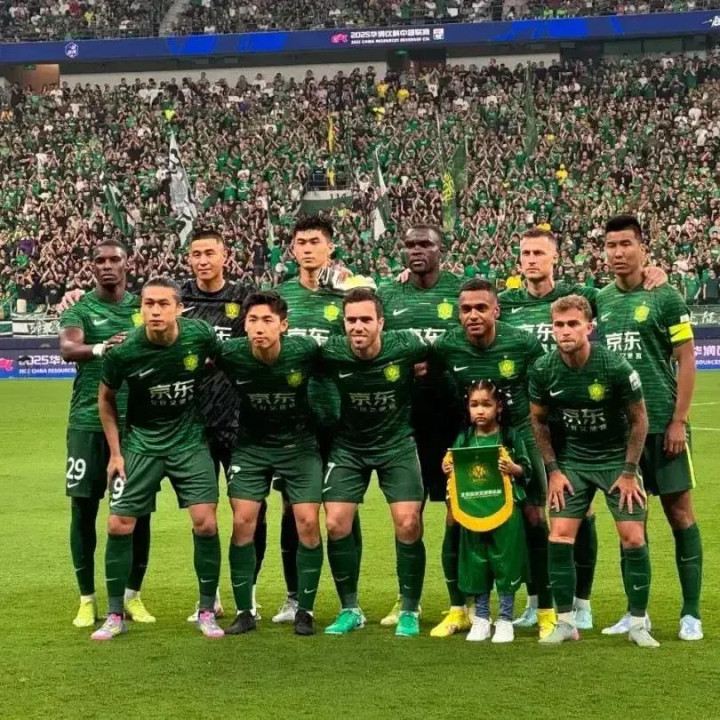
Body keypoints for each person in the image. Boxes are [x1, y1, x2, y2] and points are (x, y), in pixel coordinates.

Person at [499, 227, 667, 631]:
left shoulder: (582, 296)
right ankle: (538, 602)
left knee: (582, 512)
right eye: (525, 253)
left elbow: (623, 290)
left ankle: (582, 601)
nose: (531, 259)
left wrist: (653, 272)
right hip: (531, 420)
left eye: (539, 252)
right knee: (534, 514)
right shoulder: (506, 303)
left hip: (581, 427)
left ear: (555, 257)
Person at [92, 278, 224, 640]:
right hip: (141, 443)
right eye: (148, 304)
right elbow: (105, 399)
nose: (155, 311)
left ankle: (206, 610)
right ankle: (115, 615)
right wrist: (115, 453)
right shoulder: (124, 351)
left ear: (179, 308)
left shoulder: (199, 334)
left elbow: (221, 361)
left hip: (189, 442)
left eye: (163, 304)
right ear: (141, 309)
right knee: (118, 524)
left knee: (206, 523)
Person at [529, 294, 657, 648]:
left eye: (573, 324)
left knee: (633, 537)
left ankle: (638, 623)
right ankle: (566, 622)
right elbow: (538, 422)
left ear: (589, 327)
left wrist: (629, 472)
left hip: (616, 461)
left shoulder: (615, 367)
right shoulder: (543, 370)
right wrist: (554, 470)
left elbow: (639, 420)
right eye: (559, 325)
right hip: (573, 462)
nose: (565, 331)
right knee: (559, 536)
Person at [597, 215, 703, 641]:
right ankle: (634, 611)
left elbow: (687, 358)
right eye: (611, 245)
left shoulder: (667, 297)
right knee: (630, 524)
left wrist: (679, 420)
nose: (618, 252)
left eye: (626, 244)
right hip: (622, 434)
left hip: (663, 427)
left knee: (680, 514)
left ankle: (691, 613)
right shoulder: (600, 300)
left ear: (643, 247)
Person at [430, 278, 555, 638]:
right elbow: (435, 391)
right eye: (466, 309)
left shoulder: (523, 343)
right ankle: (460, 609)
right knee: (456, 518)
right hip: (470, 443)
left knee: (534, 517)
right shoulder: (446, 347)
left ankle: (544, 608)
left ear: (496, 310)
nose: (473, 315)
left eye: (481, 308)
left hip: (520, 436)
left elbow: (543, 393)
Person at [273, 215, 367, 624]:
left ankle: (351, 602)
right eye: (301, 242)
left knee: (344, 508)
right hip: (294, 421)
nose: (307, 248)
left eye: (315, 242)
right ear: (292, 249)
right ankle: (294, 597)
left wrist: (356, 285)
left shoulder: (348, 294)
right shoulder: (280, 297)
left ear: (331, 247)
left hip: (341, 417)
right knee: (292, 507)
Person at [320, 288, 428, 638]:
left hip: (396, 445)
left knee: (408, 523)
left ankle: (409, 609)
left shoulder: (406, 345)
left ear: (381, 323)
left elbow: (437, 357)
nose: (358, 326)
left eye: (366, 319)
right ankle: (350, 609)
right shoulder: (331, 351)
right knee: (336, 523)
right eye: (351, 320)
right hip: (348, 447)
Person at [215, 291, 324, 637]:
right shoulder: (230, 353)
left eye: (267, 320)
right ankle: (244, 611)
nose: (259, 327)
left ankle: (305, 611)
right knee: (243, 521)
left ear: (283, 325)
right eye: (253, 320)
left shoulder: (305, 351)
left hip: (299, 446)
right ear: (244, 325)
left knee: (307, 522)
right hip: (252, 447)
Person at [59, 239, 154, 628]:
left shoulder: (143, 308)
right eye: (100, 260)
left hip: (136, 425)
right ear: (92, 267)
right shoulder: (80, 309)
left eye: (115, 259)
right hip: (87, 423)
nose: (107, 265)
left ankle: (132, 596)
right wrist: (102, 349)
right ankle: (87, 599)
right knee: (83, 508)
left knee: (137, 511)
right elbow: (68, 348)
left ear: (128, 264)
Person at [378, 224, 465, 633]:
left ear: (440, 249)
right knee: (408, 516)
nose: (416, 250)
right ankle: (407, 597)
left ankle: (459, 600)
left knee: (457, 513)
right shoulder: (389, 294)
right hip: (406, 420)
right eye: (410, 244)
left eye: (425, 244)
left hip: (455, 418)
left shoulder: (460, 290)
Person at [180, 229, 260, 623]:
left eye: (209, 253)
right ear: (189, 258)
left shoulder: (244, 297)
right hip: (193, 424)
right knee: (203, 516)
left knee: (248, 513)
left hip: (239, 420)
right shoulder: (179, 298)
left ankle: (249, 594)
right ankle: (208, 598)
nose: (202, 260)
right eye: (196, 254)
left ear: (224, 255)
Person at [442, 380, 530, 644]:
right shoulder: (464, 438)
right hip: (472, 512)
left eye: (486, 404)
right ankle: (481, 618)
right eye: (474, 405)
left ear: (499, 407)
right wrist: (447, 468)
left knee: (505, 562)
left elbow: (526, 469)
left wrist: (513, 468)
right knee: (476, 563)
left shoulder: (510, 436)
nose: (480, 410)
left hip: (506, 512)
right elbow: (451, 464)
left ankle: (505, 619)